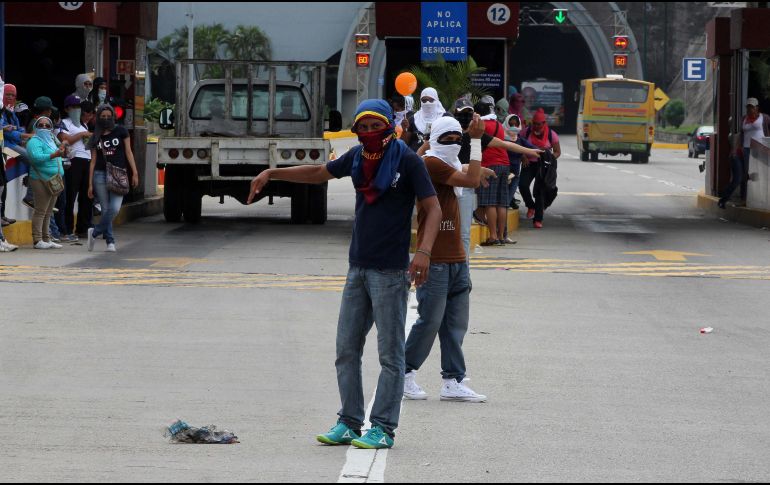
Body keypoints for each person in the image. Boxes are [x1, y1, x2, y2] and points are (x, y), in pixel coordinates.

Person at [247, 99, 442, 450]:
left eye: (375, 126)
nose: (368, 133)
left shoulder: (407, 159)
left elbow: (433, 206)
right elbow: (319, 172)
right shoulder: (357, 157)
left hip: (391, 270)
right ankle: (350, 422)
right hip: (358, 269)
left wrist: (424, 252)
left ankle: (382, 427)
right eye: (363, 127)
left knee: (390, 355)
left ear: (388, 126)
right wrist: (272, 172)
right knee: (346, 349)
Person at [404, 115, 487, 403]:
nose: (453, 143)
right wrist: (475, 141)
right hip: (435, 258)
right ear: (436, 141)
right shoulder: (431, 163)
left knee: (455, 323)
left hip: (457, 257)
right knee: (429, 321)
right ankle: (403, 374)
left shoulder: (443, 162)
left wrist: (473, 163)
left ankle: (452, 380)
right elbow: (470, 179)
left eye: (458, 138)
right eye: (446, 138)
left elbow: (462, 169)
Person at [448, 99, 541, 255]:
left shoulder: (478, 135)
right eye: (462, 113)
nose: (465, 118)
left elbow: (506, 144)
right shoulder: (447, 133)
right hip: (448, 185)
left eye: (468, 114)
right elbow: (432, 155)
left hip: (466, 189)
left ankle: (462, 270)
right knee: (448, 229)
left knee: (464, 233)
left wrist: (530, 151)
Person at [87, 105, 140, 252]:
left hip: (118, 173)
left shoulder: (121, 131)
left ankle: (95, 232)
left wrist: (134, 172)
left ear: (113, 117)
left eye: (108, 116)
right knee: (105, 209)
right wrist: (89, 183)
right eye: (102, 116)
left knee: (114, 208)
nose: (105, 119)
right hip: (99, 174)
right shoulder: (95, 136)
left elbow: (129, 152)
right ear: (98, 118)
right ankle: (110, 241)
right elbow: (93, 160)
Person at [719, 97, 770, 208]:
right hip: (746, 149)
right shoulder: (744, 119)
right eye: (748, 107)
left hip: (760, 149)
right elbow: (740, 135)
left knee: (759, 174)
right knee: (746, 175)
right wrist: (735, 149)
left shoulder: (764, 118)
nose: (750, 110)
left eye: (752, 107)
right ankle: (744, 198)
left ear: (757, 108)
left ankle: (759, 198)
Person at [475, 100, 512, 245]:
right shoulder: (498, 124)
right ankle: (502, 236)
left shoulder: (481, 125)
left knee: (490, 203)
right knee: (501, 203)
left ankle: (493, 236)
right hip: (504, 164)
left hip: (490, 165)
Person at [26, 116, 66, 250]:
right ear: (36, 127)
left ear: (51, 128)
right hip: (40, 179)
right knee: (41, 211)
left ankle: (46, 238)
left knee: (49, 212)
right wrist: (54, 155)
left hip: (54, 179)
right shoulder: (34, 141)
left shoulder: (51, 140)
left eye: (47, 126)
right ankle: (37, 240)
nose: (44, 127)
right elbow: (36, 158)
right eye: (41, 125)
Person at [520, 109, 561, 228]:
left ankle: (538, 220)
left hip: (543, 166)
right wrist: (523, 156)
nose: (536, 127)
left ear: (544, 123)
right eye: (534, 124)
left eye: (539, 124)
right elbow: (517, 144)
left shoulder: (551, 135)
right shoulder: (525, 132)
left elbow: (558, 152)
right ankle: (530, 206)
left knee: (540, 192)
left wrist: (549, 158)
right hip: (529, 163)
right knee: (522, 184)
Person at [59, 97, 94, 238]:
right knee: (70, 196)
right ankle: (67, 228)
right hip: (73, 160)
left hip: (87, 159)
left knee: (87, 196)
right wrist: (82, 134)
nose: (76, 109)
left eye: (78, 107)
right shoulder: (64, 123)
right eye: (73, 107)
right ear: (67, 109)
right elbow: (65, 140)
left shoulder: (83, 125)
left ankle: (83, 228)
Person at [403, 87, 446, 152]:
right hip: (415, 158)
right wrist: (404, 130)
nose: (427, 103)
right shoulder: (414, 119)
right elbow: (404, 144)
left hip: (437, 159)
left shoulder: (445, 118)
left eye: (431, 100)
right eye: (424, 100)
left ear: (437, 100)